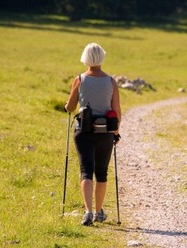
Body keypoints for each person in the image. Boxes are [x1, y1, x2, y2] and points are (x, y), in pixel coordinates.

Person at [65, 43, 121, 226]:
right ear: (102, 57)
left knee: (86, 171)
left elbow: (71, 107)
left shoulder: (79, 79)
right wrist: (116, 133)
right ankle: (99, 212)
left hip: (84, 131)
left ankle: (87, 212)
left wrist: (67, 106)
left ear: (85, 58)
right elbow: (117, 111)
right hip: (105, 133)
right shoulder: (111, 81)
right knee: (102, 173)